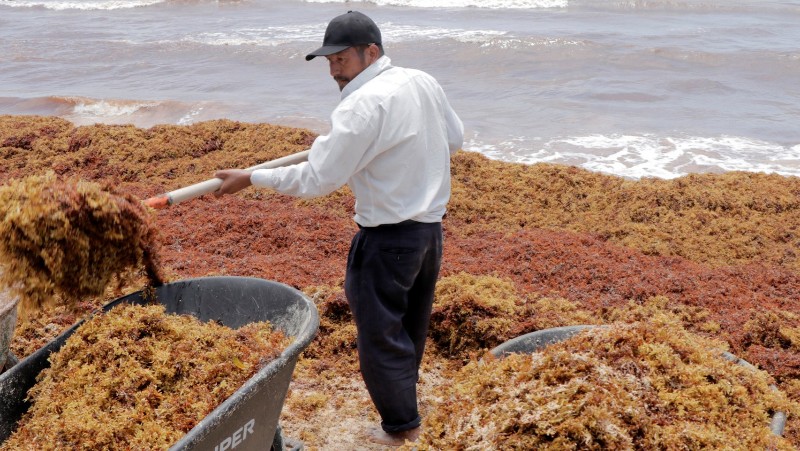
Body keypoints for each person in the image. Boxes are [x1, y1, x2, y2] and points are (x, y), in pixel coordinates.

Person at [213, 10, 463, 446]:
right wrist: (388, 150)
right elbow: (454, 139)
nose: (334, 70)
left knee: (379, 336)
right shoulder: (421, 80)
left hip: (387, 239)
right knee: (408, 327)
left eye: (341, 60)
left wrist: (253, 177)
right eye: (328, 61)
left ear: (372, 51)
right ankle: (406, 409)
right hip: (429, 234)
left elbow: (318, 179)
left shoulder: (361, 105)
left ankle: (403, 428)